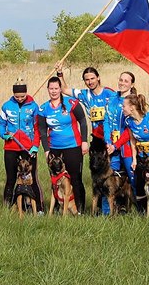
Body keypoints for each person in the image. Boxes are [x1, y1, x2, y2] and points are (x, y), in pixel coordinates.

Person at [56, 63, 116, 214]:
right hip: (96, 139)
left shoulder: (109, 93)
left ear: (98, 78)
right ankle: (102, 208)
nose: (90, 82)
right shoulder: (85, 94)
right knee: (98, 174)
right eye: (87, 79)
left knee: (112, 172)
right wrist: (60, 74)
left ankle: (116, 206)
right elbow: (64, 90)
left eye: (92, 78)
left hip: (111, 137)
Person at [38, 76, 88, 213]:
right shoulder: (43, 108)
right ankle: (57, 208)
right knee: (55, 180)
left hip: (73, 146)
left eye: (56, 88)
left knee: (75, 178)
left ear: (60, 89)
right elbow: (42, 131)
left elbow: (83, 121)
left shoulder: (72, 103)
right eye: (51, 89)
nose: (53, 91)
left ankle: (80, 210)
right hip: (54, 148)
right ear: (47, 89)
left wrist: (84, 141)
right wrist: (46, 150)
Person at [0, 79, 44, 212]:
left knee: (32, 178)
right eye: (17, 96)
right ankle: (8, 207)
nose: (19, 99)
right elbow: (1, 123)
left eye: (22, 96)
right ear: (13, 94)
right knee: (11, 178)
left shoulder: (33, 106)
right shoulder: (6, 106)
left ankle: (38, 209)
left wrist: (35, 145)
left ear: (26, 93)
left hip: (28, 148)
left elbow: (37, 128)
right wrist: (3, 134)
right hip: (11, 147)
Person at [122, 93, 149, 211]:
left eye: (124, 106)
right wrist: (134, 159)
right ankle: (143, 211)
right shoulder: (129, 121)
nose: (122, 108)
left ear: (132, 107)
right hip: (142, 159)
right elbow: (132, 141)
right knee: (140, 185)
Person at [104, 72, 138, 210]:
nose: (122, 83)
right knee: (108, 181)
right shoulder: (112, 98)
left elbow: (130, 128)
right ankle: (107, 213)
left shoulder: (134, 101)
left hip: (128, 148)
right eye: (121, 80)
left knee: (133, 181)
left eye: (126, 81)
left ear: (132, 84)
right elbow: (106, 121)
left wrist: (116, 145)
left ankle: (142, 211)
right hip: (111, 147)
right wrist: (108, 142)